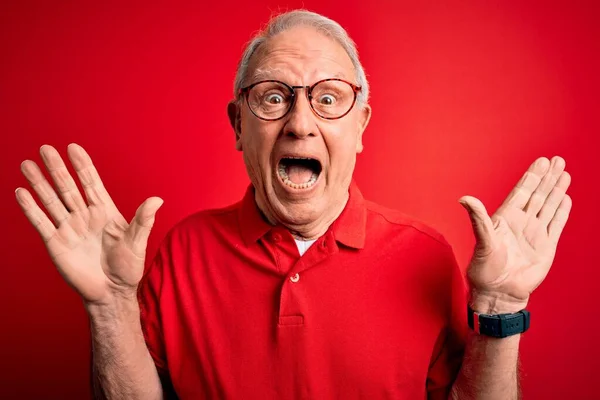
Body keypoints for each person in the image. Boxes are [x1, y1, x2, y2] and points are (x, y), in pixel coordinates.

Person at [15, 9, 572, 400]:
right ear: (238, 125)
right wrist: (110, 305)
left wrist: (498, 305)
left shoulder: (426, 256)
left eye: (329, 99)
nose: (300, 124)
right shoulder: (181, 253)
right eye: (274, 98)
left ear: (360, 126)